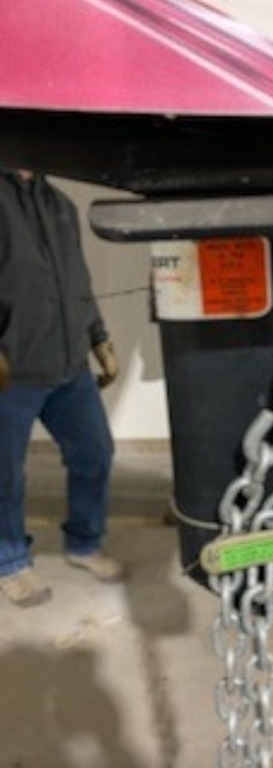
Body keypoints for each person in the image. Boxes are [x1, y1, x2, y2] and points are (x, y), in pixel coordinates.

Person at [0, 168, 126, 608]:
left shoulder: (61, 205)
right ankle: (10, 562)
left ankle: (84, 543)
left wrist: (99, 339)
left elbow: (79, 284)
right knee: (4, 474)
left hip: (70, 366)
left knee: (96, 453)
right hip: (11, 371)